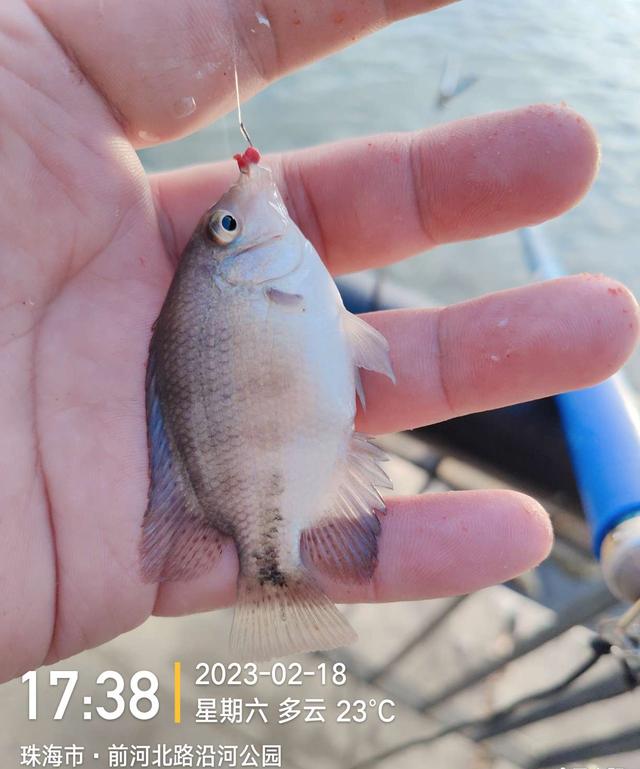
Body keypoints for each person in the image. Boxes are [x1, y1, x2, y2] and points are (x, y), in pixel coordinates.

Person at [1, 0, 637, 683]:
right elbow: (339, 346)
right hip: (265, 457)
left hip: (255, 452)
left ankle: (271, 574)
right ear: (230, 262)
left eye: (223, 227)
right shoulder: (272, 285)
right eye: (226, 228)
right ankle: (271, 571)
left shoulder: (268, 282)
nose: (237, 210)